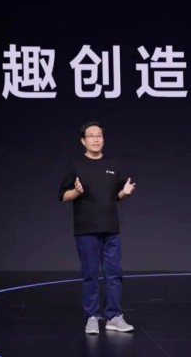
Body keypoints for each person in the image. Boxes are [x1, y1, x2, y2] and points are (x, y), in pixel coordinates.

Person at [58, 121, 136, 334]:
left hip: (111, 229)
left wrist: (125, 193)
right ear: (83, 141)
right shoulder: (76, 165)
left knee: (114, 274)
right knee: (90, 275)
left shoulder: (113, 164)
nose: (95, 139)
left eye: (99, 135)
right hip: (86, 230)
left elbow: (117, 195)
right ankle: (92, 317)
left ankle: (114, 316)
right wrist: (76, 192)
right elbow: (63, 196)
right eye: (91, 136)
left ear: (103, 139)